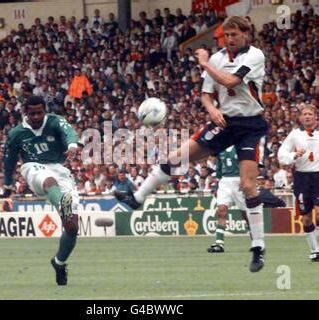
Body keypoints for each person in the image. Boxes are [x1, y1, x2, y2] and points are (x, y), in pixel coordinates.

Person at [115, 16, 268, 272]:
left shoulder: (254, 55)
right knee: (176, 158)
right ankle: (138, 198)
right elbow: (206, 94)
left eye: (234, 35)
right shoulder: (218, 58)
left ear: (246, 35)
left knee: (247, 185)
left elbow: (230, 82)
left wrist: (205, 63)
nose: (230, 40)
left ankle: (258, 248)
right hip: (224, 122)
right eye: (226, 35)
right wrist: (211, 110)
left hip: (250, 125)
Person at [3, 95, 81, 285]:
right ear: (25, 113)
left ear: (44, 111)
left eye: (39, 112)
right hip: (33, 167)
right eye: (32, 113)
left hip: (60, 169)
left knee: (72, 227)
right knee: (48, 181)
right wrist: (7, 185)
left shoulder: (55, 121)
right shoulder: (17, 134)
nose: (36, 116)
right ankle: (62, 203)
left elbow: (69, 132)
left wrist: (72, 145)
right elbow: (9, 160)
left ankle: (59, 262)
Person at [278, 104, 319, 261]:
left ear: (315, 116)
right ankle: (314, 249)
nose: (307, 116)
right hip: (302, 178)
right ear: (301, 117)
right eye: (305, 114)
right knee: (307, 217)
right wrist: (294, 155)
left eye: (310, 113)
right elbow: (281, 154)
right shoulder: (295, 135)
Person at [207, 146, 250, 253]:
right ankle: (219, 243)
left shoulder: (239, 148)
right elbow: (219, 169)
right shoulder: (221, 149)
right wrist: (217, 186)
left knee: (245, 213)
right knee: (221, 210)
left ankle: (256, 241)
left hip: (238, 180)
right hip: (225, 182)